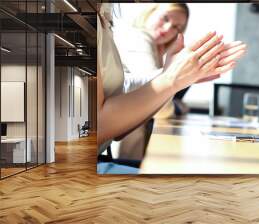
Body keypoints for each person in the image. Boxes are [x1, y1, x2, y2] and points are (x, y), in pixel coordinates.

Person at [97, 4, 246, 173]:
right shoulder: (139, 38)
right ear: (151, 12)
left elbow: (121, 89)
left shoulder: (105, 19)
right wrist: (173, 79)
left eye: (176, 27)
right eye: (165, 18)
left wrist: (181, 76)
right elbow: (161, 109)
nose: (168, 28)